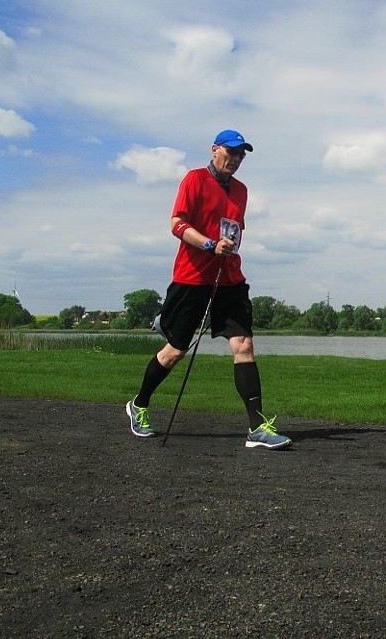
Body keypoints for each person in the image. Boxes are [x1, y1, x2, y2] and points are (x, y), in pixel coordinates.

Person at [126, 129, 291, 450]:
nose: (236, 158)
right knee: (175, 352)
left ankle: (257, 427)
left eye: (242, 154)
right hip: (193, 278)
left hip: (229, 278)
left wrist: (228, 247)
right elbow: (177, 223)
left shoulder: (241, 191)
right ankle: (139, 405)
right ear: (214, 150)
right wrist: (210, 244)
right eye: (231, 151)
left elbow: (235, 230)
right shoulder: (194, 180)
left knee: (244, 346)